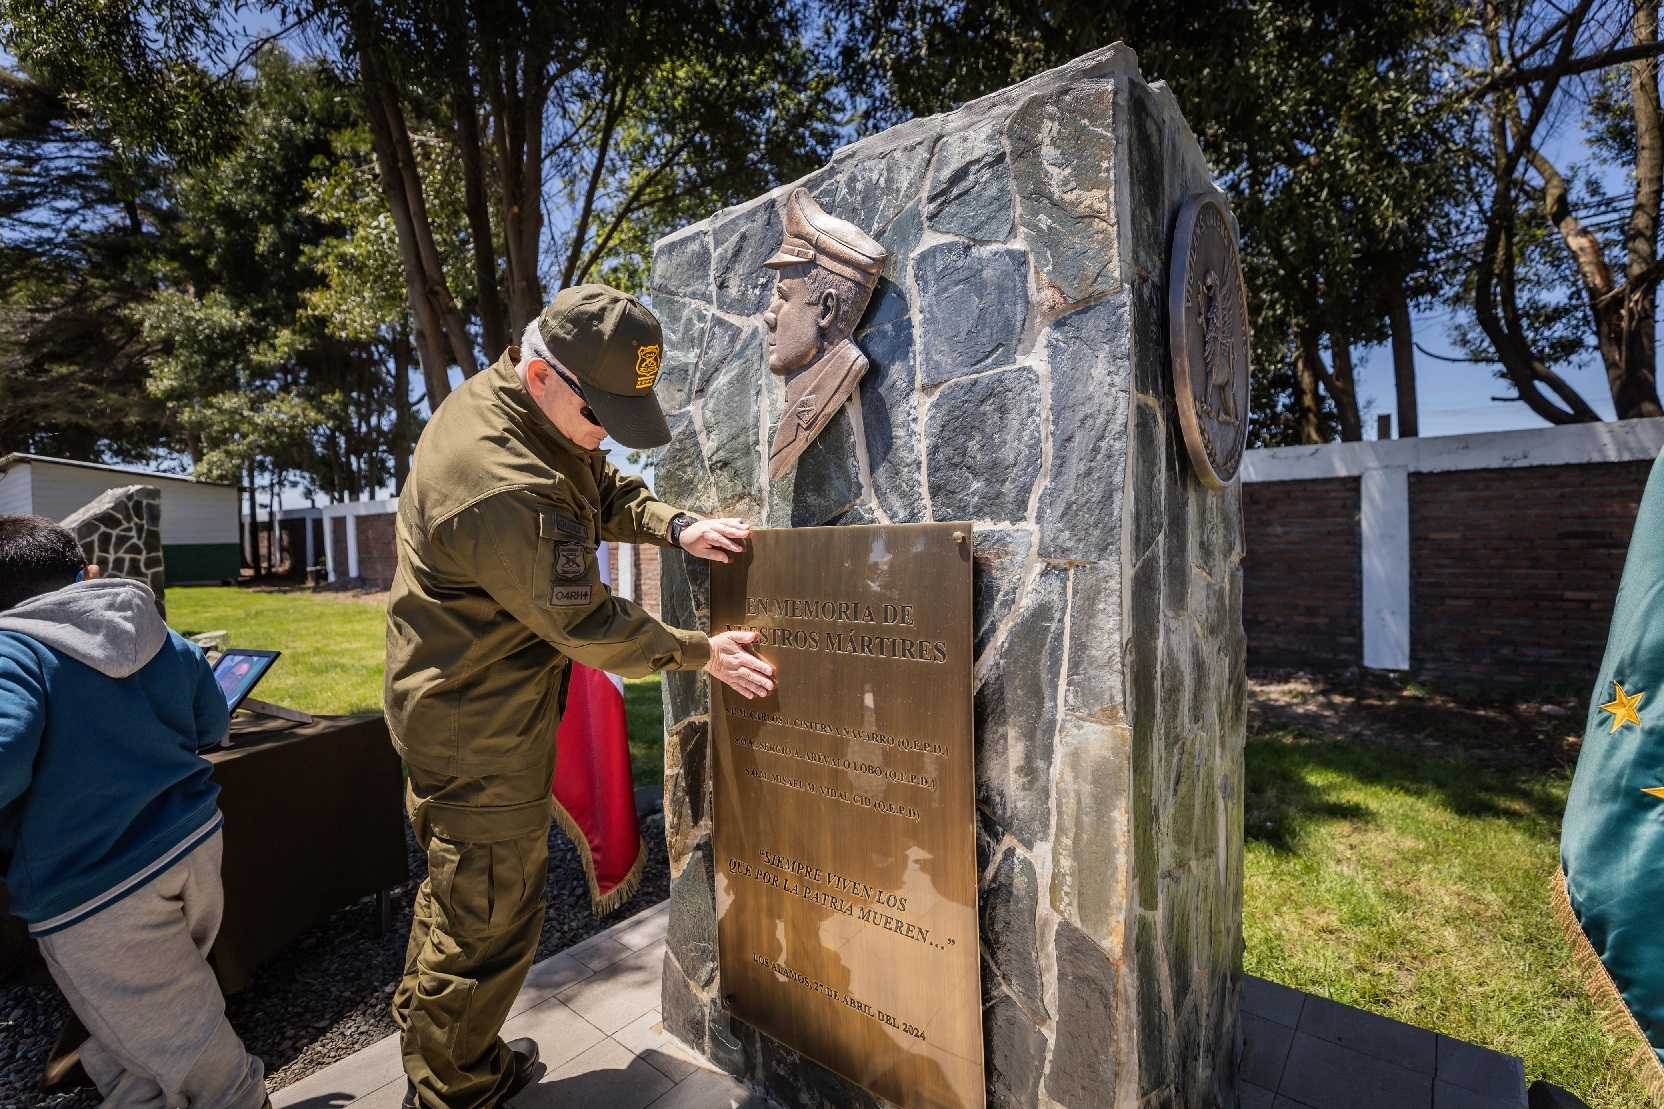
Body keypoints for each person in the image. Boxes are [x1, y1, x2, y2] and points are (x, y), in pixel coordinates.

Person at [385, 284, 776, 1108]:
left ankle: (440, 1037)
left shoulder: (534, 418)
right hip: (474, 729)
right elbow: (591, 623)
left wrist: (672, 523)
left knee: (461, 892)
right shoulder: (498, 480)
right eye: (601, 416)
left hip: (475, 705)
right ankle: (454, 1086)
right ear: (540, 376)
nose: (606, 436)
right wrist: (702, 651)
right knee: (487, 913)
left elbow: (594, 490)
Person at [0, 515, 267, 1109]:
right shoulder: (153, 630)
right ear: (84, 573)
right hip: (192, 841)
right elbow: (211, 724)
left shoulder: (11, 649)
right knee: (152, 1015)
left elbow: (5, 754)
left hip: (95, 880)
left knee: (183, 1034)